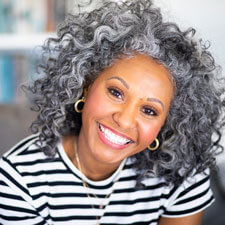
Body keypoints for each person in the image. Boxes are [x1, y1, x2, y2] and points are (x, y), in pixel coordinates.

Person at [0, 0, 224, 224]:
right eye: (116, 93)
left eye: (149, 110)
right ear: (86, 86)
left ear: (168, 122)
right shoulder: (18, 180)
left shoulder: (182, 175)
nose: (124, 120)